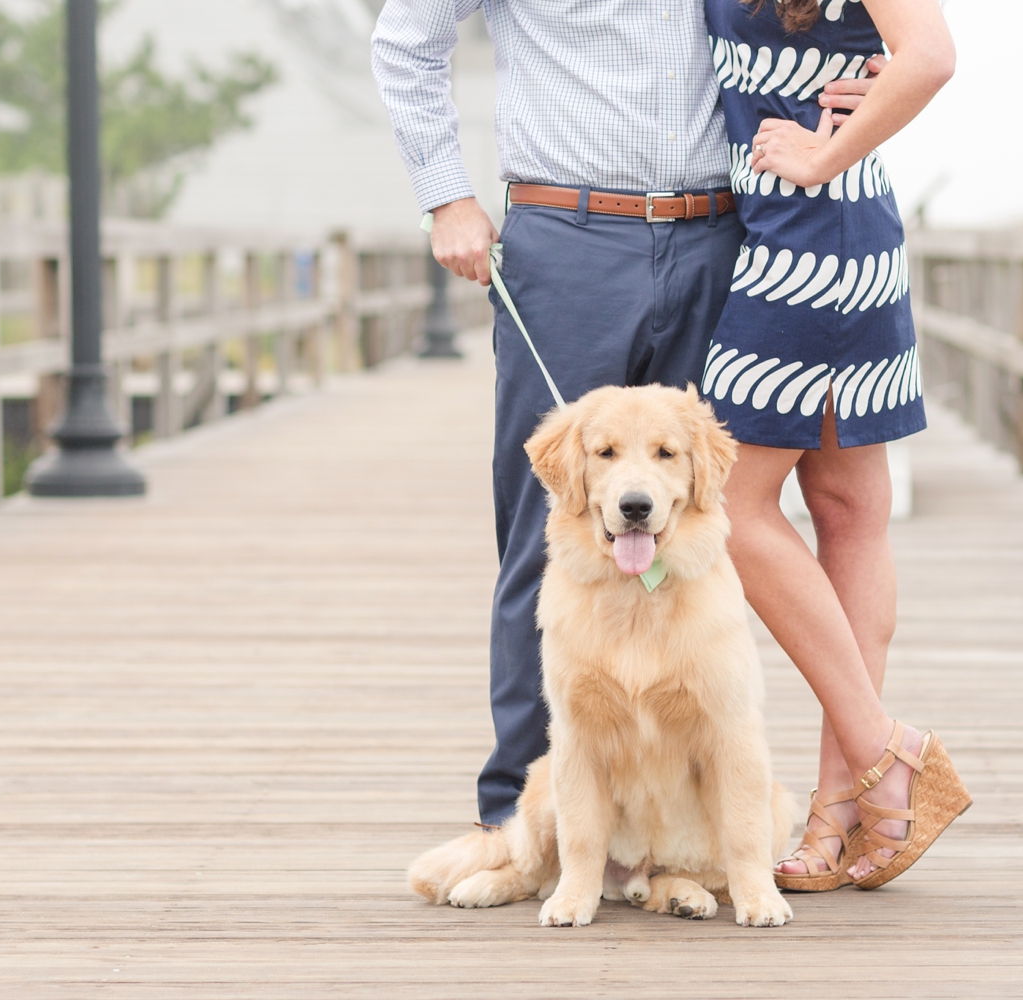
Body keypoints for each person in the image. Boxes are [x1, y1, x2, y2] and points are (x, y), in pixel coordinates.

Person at [370, 1, 881, 828]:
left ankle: (676, 814)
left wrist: (869, 68)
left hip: (721, 238)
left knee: (699, 533)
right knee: (555, 527)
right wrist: (445, 197)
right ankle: (522, 817)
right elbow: (405, 40)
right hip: (567, 239)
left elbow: (798, 25)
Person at [701, 0, 966, 890]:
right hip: (824, 240)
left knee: (727, 507)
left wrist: (820, 155)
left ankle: (882, 750)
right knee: (849, 514)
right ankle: (841, 817)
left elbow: (928, 55)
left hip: (807, 246)